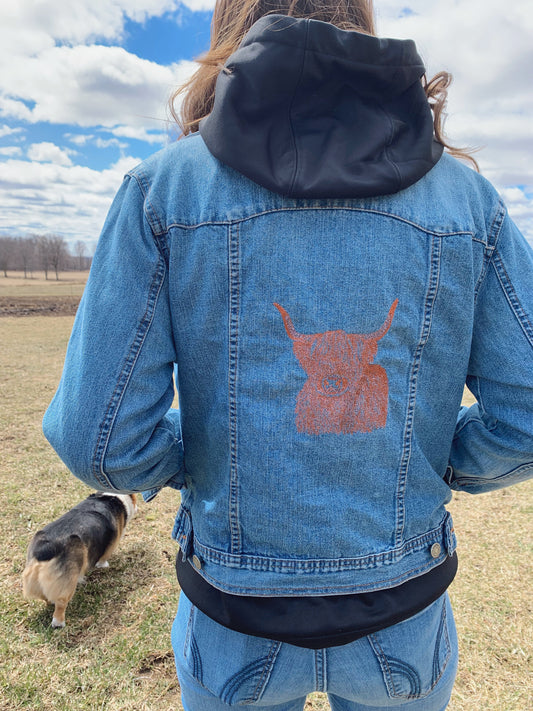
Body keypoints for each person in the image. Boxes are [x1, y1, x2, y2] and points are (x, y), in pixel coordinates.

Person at [43, 1, 533, 709]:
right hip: (403, 618)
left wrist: (205, 450)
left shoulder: (164, 191)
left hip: (233, 616)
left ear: (228, 25)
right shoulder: (468, 205)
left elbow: (99, 438)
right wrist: (433, 453)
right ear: (359, 16)